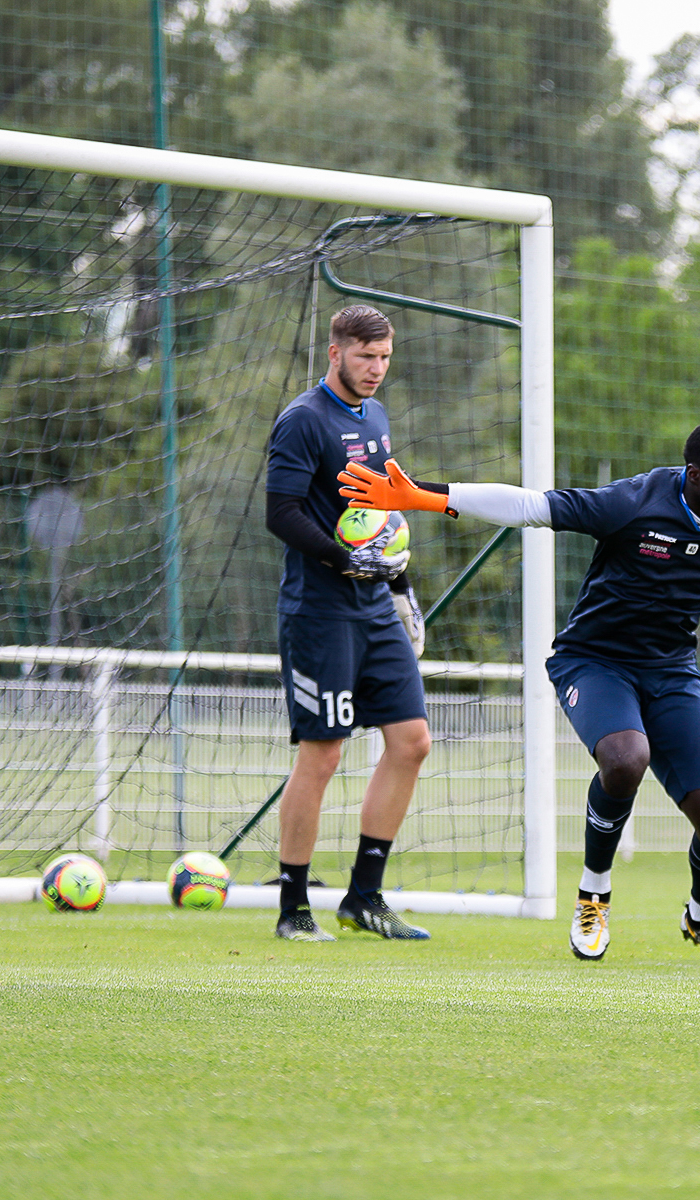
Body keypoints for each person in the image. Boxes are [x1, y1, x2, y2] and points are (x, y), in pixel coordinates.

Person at [338, 419, 700, 964]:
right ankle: (593, 898)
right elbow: (531, 506)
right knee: (625, 757)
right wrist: (429, 497)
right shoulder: (634, 503)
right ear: (694, 476)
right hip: (593, 662)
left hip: (670, 673)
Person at [264, 304, 433, 943]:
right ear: (335, 353)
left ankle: (364, 898)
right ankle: (294, 908)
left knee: (411, 741)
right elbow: (280, 513)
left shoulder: (378, 417)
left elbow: (381, 515)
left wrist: (401, 588)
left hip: (374, 607)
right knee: (324, 752)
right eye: (366, 357)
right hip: (319, 611)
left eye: (385, 357)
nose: (376, 369)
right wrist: (344, 558)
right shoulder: (303, 420)